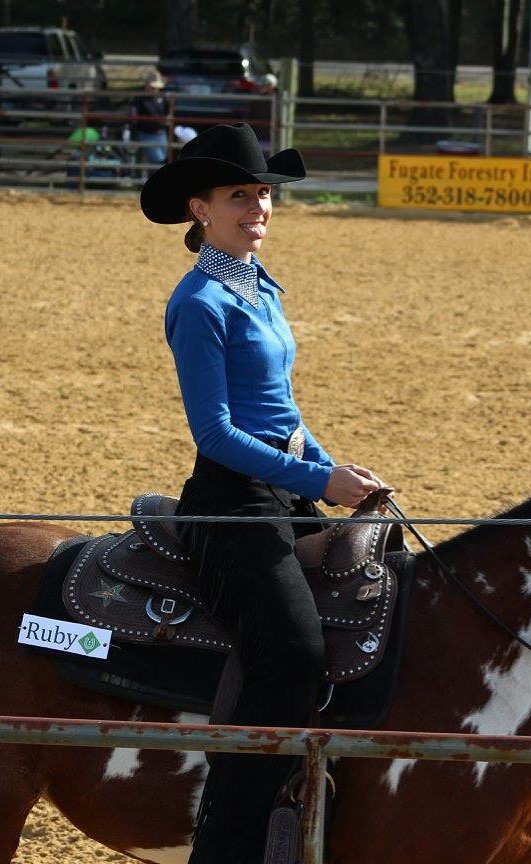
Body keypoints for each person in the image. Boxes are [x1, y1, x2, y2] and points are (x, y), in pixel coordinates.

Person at [140, 122, 384, 863]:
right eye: (239, 194)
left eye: (265, 193)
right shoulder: (201, 302)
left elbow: (283, 412)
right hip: (231, 503)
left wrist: (342, 471)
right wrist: (321, 480)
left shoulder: (260, 286)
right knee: (290, 649)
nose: (259, 206)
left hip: (283, 490)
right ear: (200, 210)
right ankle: (229, 838)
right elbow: (214, 434)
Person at [131, 69, 169, 174]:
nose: (155, 90)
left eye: (156, 88)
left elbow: (167, 112)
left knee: (163, 158)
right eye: (153, 87)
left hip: (160, 133)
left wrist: (165, 121)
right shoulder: (139, 100)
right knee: (157, 159)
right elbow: (134, 118)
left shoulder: (162, 97)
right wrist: (134, 136)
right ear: (146, 86)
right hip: (146, 134)